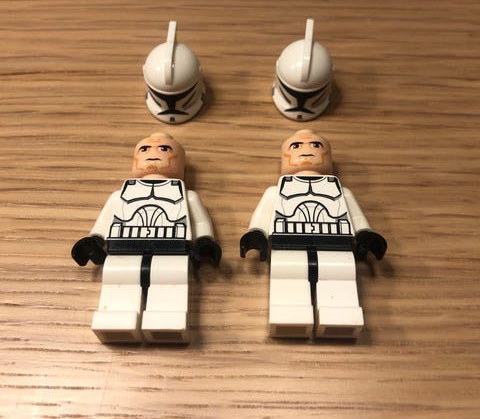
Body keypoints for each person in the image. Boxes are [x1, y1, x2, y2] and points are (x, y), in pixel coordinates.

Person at [72, 133, 221, 343]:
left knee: (170, 281)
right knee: (119, 280)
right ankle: (116, 321)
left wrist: (205, 241)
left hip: (172, 248)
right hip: (123, 248)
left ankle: (167, 322)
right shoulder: (120, 195)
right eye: (144, 149)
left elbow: (201, 222)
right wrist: (94, 239)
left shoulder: (187, 196)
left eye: (164, 149)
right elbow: (105, 222)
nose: (153, 154)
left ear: (179, 161)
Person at [240, 129, 386, 339]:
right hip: (287, 242)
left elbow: (356, 217)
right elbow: (262, 216)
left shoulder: (341, 191)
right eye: (296, 146)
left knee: (340, 277)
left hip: (337, 244)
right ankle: (290, 318)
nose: (306, 150)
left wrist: (365, 234)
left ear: (328, 156)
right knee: (288, 277)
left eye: (316, 145)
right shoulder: (276, 191)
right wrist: (256, 233)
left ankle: (339, 318)